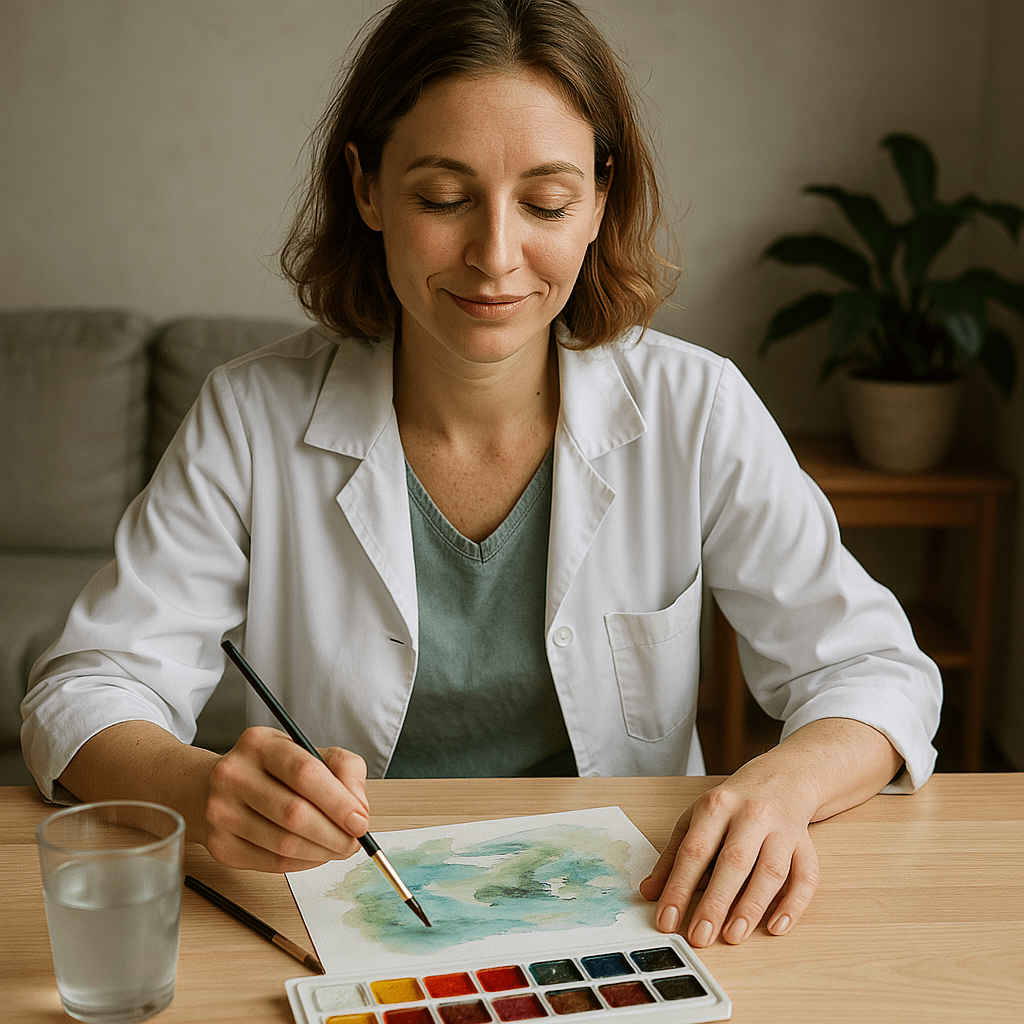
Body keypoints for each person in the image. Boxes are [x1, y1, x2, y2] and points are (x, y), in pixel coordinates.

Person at [21, 0, 941, 951]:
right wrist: (197, 786)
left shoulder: (694, 408)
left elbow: (876, 672)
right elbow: (83, 687)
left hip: (632, 908)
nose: (496, 257)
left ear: (597, 199)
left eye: (545, 203)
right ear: (368, 188)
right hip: (344, 913)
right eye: (442, 198)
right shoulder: (251, 419)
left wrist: (776, 787)